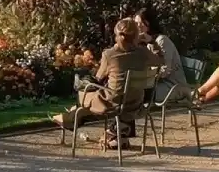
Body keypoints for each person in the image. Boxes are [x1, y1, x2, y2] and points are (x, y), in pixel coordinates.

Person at [62, 18, 154, 149]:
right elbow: (161, 60)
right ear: (136, 36)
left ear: (116, 35)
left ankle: (70, 118)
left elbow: (98, 77)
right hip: (136, 103)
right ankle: (116, 133)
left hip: (113, 103)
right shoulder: (144, 53)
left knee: (83, 89)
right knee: (122, 93)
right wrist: (151, 41)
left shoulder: (110, 54)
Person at [135, 9, 189, 103]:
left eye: (142, 23)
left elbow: (165, 70)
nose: (138, 26)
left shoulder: (162, 40)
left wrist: (146, 78)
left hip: (171, 85)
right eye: (136, 23)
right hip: (154, 83)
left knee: (136, 95)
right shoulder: (142, 43)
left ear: (150, 23)